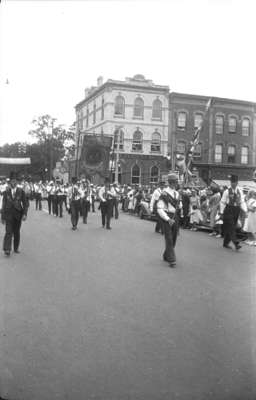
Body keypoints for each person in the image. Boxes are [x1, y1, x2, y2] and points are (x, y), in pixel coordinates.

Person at [1, 172, 28, 256]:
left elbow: (25, 203)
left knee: (16, 232)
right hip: (8, 215)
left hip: (18, 215)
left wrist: (24, 214)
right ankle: (7, 249)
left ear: (17, 182)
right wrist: (2, 216)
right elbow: (3, 204)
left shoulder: (21, 191)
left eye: (15, 181)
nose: (13, 182)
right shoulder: (6, 192)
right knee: (8, 232)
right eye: (12, 181)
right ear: (10, 182)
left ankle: (16, 248)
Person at [157, 173, 180, 268]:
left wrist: (180, 207)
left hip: (175, 217)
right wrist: (167, 219)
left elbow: (179, 206)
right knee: (169, 239)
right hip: (167, 217)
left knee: (174, 239)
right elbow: (159, 208)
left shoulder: (177, 193)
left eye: (176, 182)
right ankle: (172, 259)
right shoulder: (164, 193)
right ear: (170, 182)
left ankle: (166, 255)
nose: (175, 184)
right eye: (174, 182)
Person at [219, 174, 247, 250]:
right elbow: (222, 202)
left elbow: (242, 201)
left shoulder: (240, 191)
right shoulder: (226, 191)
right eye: (232, 182)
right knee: (231, 226)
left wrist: (245, 210)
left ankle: (225, 243)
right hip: (228, 209)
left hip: (236, 210)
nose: (233, 183)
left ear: (237, 183)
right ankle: (236, 242)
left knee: (231, 227)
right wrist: (221, 212)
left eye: (234, 182)